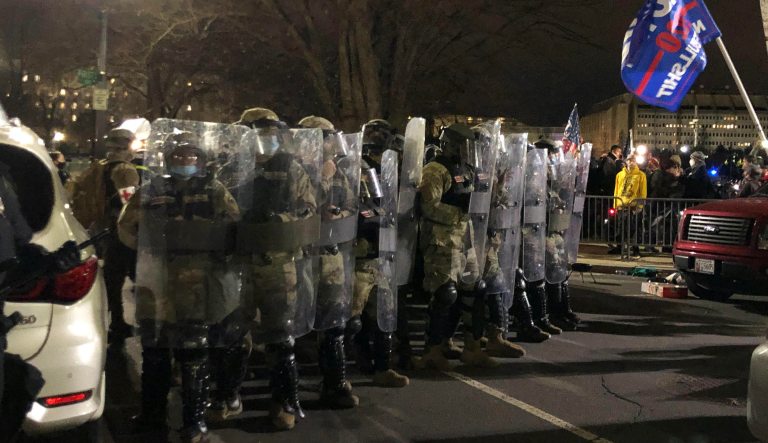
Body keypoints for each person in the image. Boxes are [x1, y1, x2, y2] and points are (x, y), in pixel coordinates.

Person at [118, 129, 240, 442]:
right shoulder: (154, 188)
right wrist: (147, 247)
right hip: (156, 282)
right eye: (180, 156)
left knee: (193, 355)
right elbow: (126, 226)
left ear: (201, 159)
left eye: (192, 156)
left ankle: (194, 422)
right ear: (170, 158)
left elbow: (233, 227)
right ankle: (152, 417)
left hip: (197, 285)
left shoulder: (214, 189)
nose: (186, 160)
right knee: (156, 352)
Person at [233, 107, 321, 430]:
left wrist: (279, 221)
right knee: (233, 333)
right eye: (258, 135)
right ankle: (228, 396)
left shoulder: (291, 169)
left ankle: (284, 400)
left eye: (270, 135)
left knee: (280, 336)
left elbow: (308, 210)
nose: (265, 142)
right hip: (238, 262)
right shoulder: (233, 168)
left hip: (277, 262)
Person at [419, 123, 495, 370]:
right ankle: (433, 348)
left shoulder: (468, 170)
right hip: (443, 241)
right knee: (445, 293)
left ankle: (472, 347)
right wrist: (461, 209)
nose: (468, 151)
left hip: (466, 239)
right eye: (464, 145)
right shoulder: (435, 169)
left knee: (476, 289)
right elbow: (429, 206)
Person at [298, 115, 360, 408]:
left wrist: (339, 215)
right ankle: (283, 393)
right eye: (324, 138)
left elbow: (351, 204)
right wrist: (321, 178)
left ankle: (335, 383)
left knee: (333, 324)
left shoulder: (338, 172)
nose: (330, 144)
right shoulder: (295, 170)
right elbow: (299, 207)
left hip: (331, 256)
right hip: (301, 258)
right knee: (291, 327)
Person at [346, 121, 410, 387]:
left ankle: (383, 367)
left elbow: (380, 206)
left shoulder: (379, 172)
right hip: (360, 257)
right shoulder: (353, 170)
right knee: (353, 320)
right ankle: (347, 369)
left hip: (379, 255)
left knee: (385, 313)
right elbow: (358, 211)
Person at [71, 128, 140, 341]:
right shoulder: (125, 170)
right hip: (121, 231)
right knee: (133, 277)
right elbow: (129, 203)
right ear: (128, 145)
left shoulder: (98, 167)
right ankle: (121, 323)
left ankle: (112, 322)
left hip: (103, 228)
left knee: (112, 279)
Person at [612, 154, 647, 256]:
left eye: (633, 160)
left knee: (634, 229)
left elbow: (643, 192)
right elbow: (616, 190)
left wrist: (640, 206)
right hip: (621, 205)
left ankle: (635, 249)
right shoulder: (619, 175)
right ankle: (620, 247)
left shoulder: (641, 175)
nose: (631, 162)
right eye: (629, 160)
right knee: (620, 227)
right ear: (626, 161)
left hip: (633, 207)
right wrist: (615, 204)